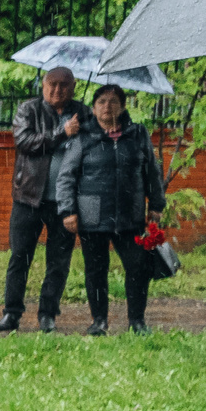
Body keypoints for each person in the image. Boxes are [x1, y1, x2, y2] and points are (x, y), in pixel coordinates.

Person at [56, 82, 165, 335]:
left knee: (138, 268)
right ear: (93, 109)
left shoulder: (138, 134)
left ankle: (137, 322)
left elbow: (152, 172)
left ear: (123, 106)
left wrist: (156, 204)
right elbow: (66, 177)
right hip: (92, 215)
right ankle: (99, 321)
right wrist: (67, 210)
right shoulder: (83, 137)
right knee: (96, 270)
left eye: (113, 101)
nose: (107, 106)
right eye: (101, 102)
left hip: (131, 215)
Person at [0, 66, 86, 332]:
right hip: (28, 198)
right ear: (43, 85)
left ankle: (48, 314)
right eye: (52, 84)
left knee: (58, 261)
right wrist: (62, 132)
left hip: (65, 204)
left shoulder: (83, 113)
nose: (57, 90)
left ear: (74, 87)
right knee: (19, 257)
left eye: (64, 85)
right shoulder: (29, 110)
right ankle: (11, 314)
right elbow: (25, 142)